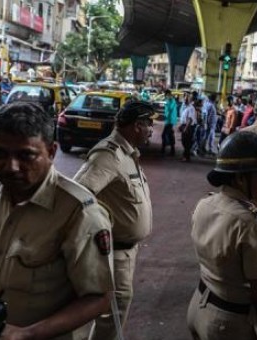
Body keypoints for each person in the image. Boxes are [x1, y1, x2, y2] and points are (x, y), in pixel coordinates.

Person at [0, 102, 113, 340]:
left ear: (52, 152)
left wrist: (27, 334)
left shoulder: (78, 212)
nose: (11, 167)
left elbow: (99, 298)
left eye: (26, 155)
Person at [187, 131, 257, 340]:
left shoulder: (205, 204)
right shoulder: (250, 223)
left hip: (200, 305)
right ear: (241, 178)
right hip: (230, 324)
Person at [73, 101, 154, 340]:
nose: (152, 129)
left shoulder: (128, 154)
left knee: (115, 311)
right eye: (149, 124)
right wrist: (97, 230)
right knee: (112, 314)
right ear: (137, 126)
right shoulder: (109, 155)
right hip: (113, 253)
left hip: (126, 252)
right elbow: (77, 196)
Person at [180, 97, 199, 162]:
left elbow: (190, 119)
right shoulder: (187, 107)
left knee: (186, 142)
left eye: (186, 100)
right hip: (185, 125)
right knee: (185, 142)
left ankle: (186, 157)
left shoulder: (191, 108)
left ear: (190, 101)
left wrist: (186, 128)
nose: (185, 100)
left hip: (188, 126)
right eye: (184, 99)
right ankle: (186, 156)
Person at [162, 90, 178, 156]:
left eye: (166, 95)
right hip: (169, 121)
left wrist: (165, 117)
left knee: (167, 135)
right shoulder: (171, 100)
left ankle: (171, 150)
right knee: (167, 134)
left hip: (169, 121)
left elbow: (169, 110)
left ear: (168, 94)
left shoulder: (171, 101)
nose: (165, 96)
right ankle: (166, 149)